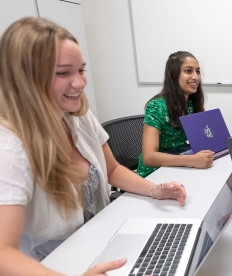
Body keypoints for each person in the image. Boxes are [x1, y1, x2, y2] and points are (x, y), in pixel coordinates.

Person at [0, 17, 186, 275]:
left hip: (96, 243)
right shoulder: (9, 149)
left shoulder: (78, 116)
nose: (79, 83)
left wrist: (156, 190)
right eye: (64, 73)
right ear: (26, 78)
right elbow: (3, 254)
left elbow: (112, 170)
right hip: (51, 265)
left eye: (81, 70)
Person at [136, 51, 214, 178]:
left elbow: (206, 135)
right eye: (188, 71)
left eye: (197, 71)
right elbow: (149, 157)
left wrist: (228, 142)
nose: (196, 77)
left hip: (180, 167)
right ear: (173, 74)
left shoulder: (191, 103)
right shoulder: (156, 106)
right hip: (155, 173)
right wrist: (192, 160)